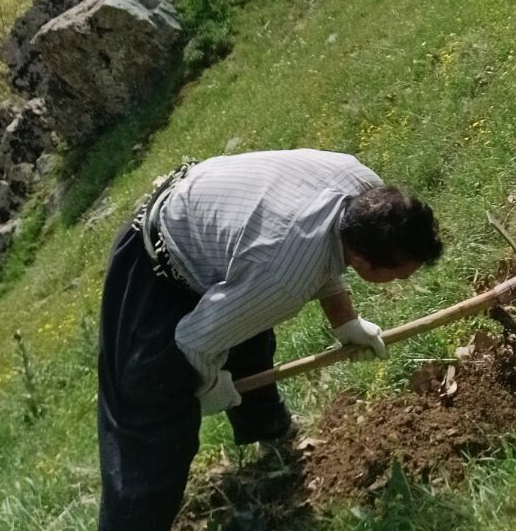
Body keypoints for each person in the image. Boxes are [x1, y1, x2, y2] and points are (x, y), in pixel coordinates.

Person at [97, 148, 443, 531]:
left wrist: (346, 322)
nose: (400, 282)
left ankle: (271, 436)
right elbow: (195, 340)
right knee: (151, 414)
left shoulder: (363, 188)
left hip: (223, 235)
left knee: (249, 327)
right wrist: (210, 383)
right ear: (364, 261)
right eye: (396, 276)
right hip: (153, 265)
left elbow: (324, 248)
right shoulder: (283, 278)